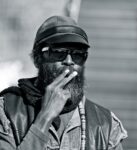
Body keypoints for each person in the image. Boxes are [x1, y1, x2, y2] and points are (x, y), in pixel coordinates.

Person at [0, 15, 127, 150]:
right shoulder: (7, 110)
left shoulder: (105, 124)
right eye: (58, 52)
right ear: (37, 58)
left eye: (78, 54)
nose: (69, 61)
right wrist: (45, 117)